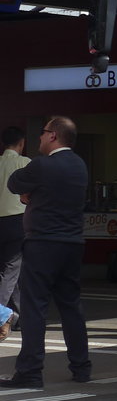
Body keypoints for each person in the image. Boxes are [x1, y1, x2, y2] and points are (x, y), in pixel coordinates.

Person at [0, 116, 91, 390]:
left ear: (53, 135)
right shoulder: (80, 166)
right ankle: (82, 367)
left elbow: (15, 183)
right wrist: (35, 194)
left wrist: (30, 195)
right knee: (71, 306)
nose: (38, 138)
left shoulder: (42, 165)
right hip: (72, 244)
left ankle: (30, 371)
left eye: (42, 133)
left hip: (43, 243)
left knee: (35, 307)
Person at [0, 126, 29, 324]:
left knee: (12, 271)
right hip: (17, 221)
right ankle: (1, 316)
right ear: (22, 143)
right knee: (10, 270)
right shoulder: (26, 163)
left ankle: (19, 317)